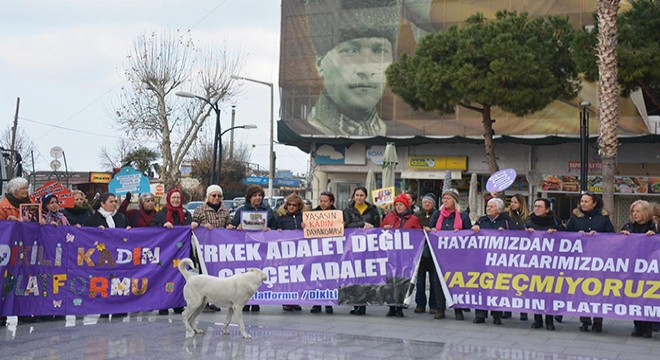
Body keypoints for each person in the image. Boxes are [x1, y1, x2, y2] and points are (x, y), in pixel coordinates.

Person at [304, 1, 400, 137]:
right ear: (320, 63)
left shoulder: (402, 134)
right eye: (351, 51)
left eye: (380, 51)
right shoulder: (306, 129)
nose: (366, 69)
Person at [564, 192, 615, 332]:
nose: (583, 204)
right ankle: (584, 319)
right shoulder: (575, 217)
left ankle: (598, 320)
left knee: (598, 289)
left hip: (599, 259)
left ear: (594, 203)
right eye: (582, 201)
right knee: (582, 288)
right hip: (581, 259)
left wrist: (599, 236)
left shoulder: (603, 218)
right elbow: (566, 235)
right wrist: (576, 235)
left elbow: (611, 235)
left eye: (586, 201)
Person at [83, 192, 130, 318]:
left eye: (115, 201)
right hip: (101, 259)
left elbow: (128, 232)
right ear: (102, 204)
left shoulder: (120, 217)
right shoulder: (93, 219)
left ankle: (118, 308)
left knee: (118, 282)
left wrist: (129, 231)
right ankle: (103, 308)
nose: (114, 204)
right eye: (111, 201)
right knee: (103, 282)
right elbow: (84, 236)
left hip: (119, 258)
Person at [470, 198, 516, 325]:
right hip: (482, 259)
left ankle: (497, 314)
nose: (488, 208)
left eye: (491, 206)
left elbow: (516, 236)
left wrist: (506, 233)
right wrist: (474, 228)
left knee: (497, 287)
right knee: (481, 286)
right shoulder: (482, 220)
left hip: (498, 260)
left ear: (499, 210)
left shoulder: (506, 221)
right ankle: (480, 314)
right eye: (488, 206)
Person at [232, 185, 277, 313]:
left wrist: (271, 230)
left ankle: (256, 301)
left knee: (257, 275)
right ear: (249, 197)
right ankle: (245, 301)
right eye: (255, 196)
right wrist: (237, 228)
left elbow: (275, 226)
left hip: (261, 249)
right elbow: (233, 228)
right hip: (245, 248)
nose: (258, 198)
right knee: (245, 275)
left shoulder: (268, 211)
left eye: (260, 195)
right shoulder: (241, 211)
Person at [428, 188, 471, 320]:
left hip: (457, 256)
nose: (445, 200)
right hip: (440, 255)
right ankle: (440, 308)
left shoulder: (462, 216)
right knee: (438, 282)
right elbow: (430, 230)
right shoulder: (437, 214)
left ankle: (458, 309)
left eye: (448, 198)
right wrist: (432, 230)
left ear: (454, 201)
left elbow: (468, 234)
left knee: (456, 282)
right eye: (444, 198)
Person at [525, 198, 564, 331]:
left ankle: (549, 319)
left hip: (551, 262)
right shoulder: (528, 222)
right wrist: (526, 234)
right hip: (534, 262)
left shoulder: (556, 222)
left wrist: (557, 234)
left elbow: (566, 238)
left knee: (549, 291)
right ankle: (537, 319)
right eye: (535, 206)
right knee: (536, 291)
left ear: (547, 209)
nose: (537, 208)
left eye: (540, 206)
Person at [151, 188, 192, 315]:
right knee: (163, 278)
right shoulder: (161, 214)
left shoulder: (186, 214)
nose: (176, 200)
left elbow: (189, 228)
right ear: (169, 199)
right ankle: (163, 304)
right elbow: (151, 229)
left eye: (178, 198)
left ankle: (178, 303)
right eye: (173, 198)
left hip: (181, 253)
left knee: (180, 278)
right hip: (165, 253)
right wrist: (163, 226)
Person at [620, 200, 657, 338]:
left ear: (646, 212)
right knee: (635, 296)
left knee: (648, 296)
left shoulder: (655, 227)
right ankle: (637, 325)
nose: (635, 214)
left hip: (651, 268)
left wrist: (654, 237)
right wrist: (622, 236)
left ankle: (648, 326)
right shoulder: (628, 227)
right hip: (633, 267)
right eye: (633, 211)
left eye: (638, 211)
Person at [381, 193, 421, 318]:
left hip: (405, 256)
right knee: (390, 281)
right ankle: (391, 307)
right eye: (397, 204)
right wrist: (384, 229)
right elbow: (379, 232)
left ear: (406, 206)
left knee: (402, 281)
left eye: (401, 204)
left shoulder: (413, 219)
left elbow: (418, 236)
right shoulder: (388, 217)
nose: (398, 207)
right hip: (391, 255)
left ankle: (400, 306)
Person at [343, 186, 381, 315]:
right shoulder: (347, 210)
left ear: (365, 197)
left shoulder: (372, 209)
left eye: (361, 195)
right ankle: (356, 304)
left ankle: (363, 304)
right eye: (357, 195)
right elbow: (345, 226)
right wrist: (361, 225)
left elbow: (378, 226)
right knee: (354, 275)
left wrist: (372, 227)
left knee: (365, 275)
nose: (359, 198)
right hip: (352, 246)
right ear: (353, 196)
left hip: (368, 246)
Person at [0, 177, 31, 326]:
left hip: (26, 249)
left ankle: (23, 311)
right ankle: (2, 314)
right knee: (6, 280)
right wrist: (8, 222)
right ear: (14, 190)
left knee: (24, 280)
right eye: (23, 188)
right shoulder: (3, 206)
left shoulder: (30, 205)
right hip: (9, 250)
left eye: (26, 188)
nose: (26, 191)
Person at [309, 191, 339, 315]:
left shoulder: (337, 215)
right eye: (321, 200)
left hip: (331, 251)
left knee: (329, 278)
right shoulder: (312, 214)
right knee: (316, 276)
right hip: (316, 250)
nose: (322, 203)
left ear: (331, 202)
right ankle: (317, 303)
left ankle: (328, 303)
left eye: (325, 201)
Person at [276, 193, 306, 312]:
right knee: (287, 276)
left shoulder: (303, 218)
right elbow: (274, 231)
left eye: (294, 205)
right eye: (289, 204)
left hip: (300, 251)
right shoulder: (281, 218)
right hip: (286, 251)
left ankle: (295, 300)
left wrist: (306, 227)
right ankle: (287, 301)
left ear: (299, 207)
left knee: (298, 276)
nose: (291, 207)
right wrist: (277, 230)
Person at [413, 192, 441, 316]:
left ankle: (434, 305)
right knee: (420, 280)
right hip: (420, 251)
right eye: (425, 202)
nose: (427, 204)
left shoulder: (438, 215)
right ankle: (420, 304)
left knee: (434, 280)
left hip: (434, 252)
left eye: (429, 202)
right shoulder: (416, 215)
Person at [505, 193, 530, 320]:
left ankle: (523, 310)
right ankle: (507, 309)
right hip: (509, 253)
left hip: (523, 254)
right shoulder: (507, 216)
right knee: (508, 281)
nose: (512, 204)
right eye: (511, 202)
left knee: (522, 281)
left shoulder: (528, 218)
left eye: (515, 202)